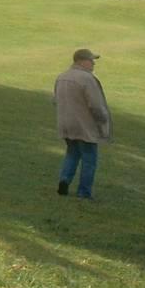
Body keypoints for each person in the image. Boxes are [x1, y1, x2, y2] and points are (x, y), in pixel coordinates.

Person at [54, 47, 111, 199]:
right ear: (81, 61)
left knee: (72, 154)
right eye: (90, 60)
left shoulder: (62, 77)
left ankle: (64, 180)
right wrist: (103, 120)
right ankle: (84, 192)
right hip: (85, 126)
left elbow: (56, 100)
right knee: (89, 159)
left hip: (66, 124)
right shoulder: (87, 79)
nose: (93, 63)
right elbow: (96, 105)